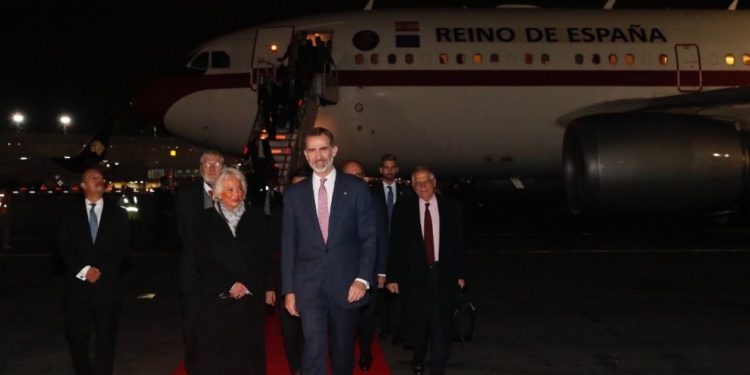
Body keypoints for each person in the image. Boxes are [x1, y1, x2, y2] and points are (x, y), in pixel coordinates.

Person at [281, 127, 377, 375]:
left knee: (343, 351)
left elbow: (369, 237)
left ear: (334, 150)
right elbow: (289, 243)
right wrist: (289, 290)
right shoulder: (294, 194)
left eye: (323, 148)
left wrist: (363, 278)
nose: (319, 156)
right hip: (309, 285)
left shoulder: (356, 189)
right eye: (312, 150)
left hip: (347, 285)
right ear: (305, 154)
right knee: (313, 349)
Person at [386, 166, 466, 375]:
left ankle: (438, 366)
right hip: (414, 275)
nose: (422, 186)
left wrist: (461, 274)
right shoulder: (403, 209)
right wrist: (392, 277)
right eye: (417, 183)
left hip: (444, 273)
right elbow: (395, 245)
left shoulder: (452, 207)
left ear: (434, 182)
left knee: (441, 323)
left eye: (425, 181)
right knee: (418, 321)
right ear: (413, 187)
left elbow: (459, 243)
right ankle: (419, 356)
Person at [191, 167, 271, 375]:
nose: (236, 194)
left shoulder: (257, 217)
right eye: (230, 189)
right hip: (219, 297)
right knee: (220, 358)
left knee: (249, 355)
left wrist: (248, 285)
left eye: (239, 189)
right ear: (218, 193)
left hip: (249, 297)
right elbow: (203, 260)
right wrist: (230, 284)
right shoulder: (204, 220)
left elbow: (265, 255)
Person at [58, 168, 130, 375]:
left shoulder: (118, 214)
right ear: (82, 186)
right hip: (77, 287)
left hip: (107, 286)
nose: (100, 180)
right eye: (93, 178)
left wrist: (100, 271)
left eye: (101, 177)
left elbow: (121, 248)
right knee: (76, 335)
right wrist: (84, 270)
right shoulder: (70, 215)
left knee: (106, 338)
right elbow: (64, 248)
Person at [175, 150, 224, 374]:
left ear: (223, 168)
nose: (212, 169)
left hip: (226, 273)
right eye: (207, 164)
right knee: (194, 324)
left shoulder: (233, 192)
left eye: (216, 164)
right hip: (194, 273)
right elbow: (185, 234)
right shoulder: (185, 196)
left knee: (223, 324)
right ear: (200, 168)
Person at [341, 160, 389, 371]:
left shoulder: (374, 201)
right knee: (342, 317)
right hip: (341, 272)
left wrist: (381, 269)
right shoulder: (332, 200)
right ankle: (344, 352)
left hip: (368, 271)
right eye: (349, 176)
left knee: (367, 316)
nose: (354, 180)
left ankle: (366, 351)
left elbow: (380, 238)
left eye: (358, 175)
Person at [266, 167, 310, 375]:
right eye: (296, 185)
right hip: (287, 283)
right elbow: (270, 253)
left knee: (312, 332)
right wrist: (269, 286)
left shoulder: (322, 212)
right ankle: (296, 369)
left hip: (313, 283)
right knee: (290, 332)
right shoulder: (279, 215)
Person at [371, 154, 413, 345]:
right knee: (380, 290)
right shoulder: (372, 192)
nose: (389, 170)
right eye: (385, 167)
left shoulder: (407, 191)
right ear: (381, 170)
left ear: (396, 170)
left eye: (392, 167)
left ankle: (398, 329)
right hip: (378, 244)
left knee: (398, 288)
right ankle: (384, 327)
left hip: (399, 245)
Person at [154, 176, 175, 252]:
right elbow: (156, 203)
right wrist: (164, 211)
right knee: (161, 231)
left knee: (166, 231)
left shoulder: (167, 191)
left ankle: (166, 246)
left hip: (166, 214)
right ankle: (160, 246)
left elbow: (171, 202)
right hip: (161, 214)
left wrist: (170, 211)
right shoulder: (158, 192)